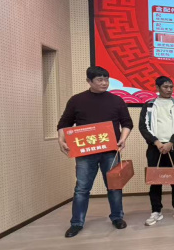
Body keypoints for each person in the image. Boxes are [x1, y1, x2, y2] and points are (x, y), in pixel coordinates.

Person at [57, 66, 133, 238]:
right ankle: (76, 223)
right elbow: (64, 123)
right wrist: (61, 139)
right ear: (89, 81)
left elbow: (127, 123)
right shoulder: (77, 100)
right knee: (82, 188)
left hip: (111, 152)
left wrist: (123, 138)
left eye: (106, 79)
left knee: (114, 186)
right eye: (99, 80)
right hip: (85, 152)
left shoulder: (116, 100)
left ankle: (117, 217)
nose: (104, 83)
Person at [139, 76, 174, 226]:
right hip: (155, 148)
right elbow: (143, 126)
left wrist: (171, 143)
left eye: (171, 87)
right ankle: (156, 211)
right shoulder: (149, 105)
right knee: (155, 181)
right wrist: (157, 142)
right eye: (165, 87)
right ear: (157, 88)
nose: (169, 90)